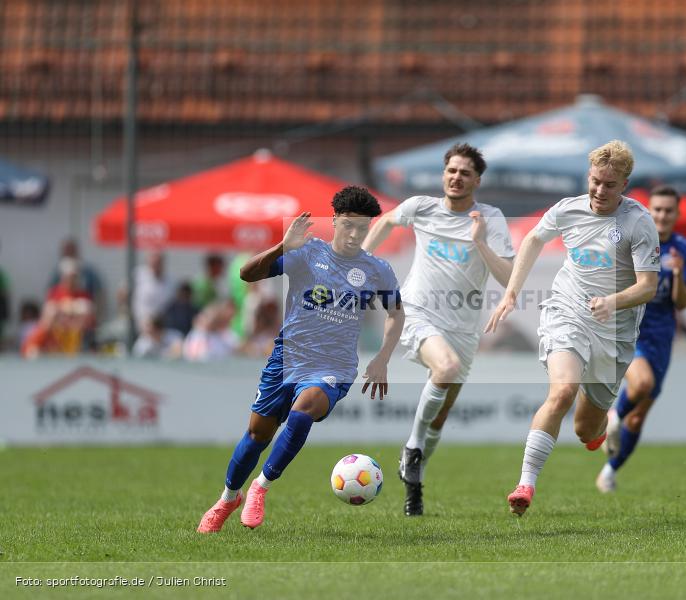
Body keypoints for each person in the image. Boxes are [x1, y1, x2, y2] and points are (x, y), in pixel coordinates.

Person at [197, 186, 404, 533]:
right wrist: (281, 246)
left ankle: (259, 489)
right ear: (335, 219)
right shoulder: (307, 253)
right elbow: (246, 275)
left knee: (305, 407)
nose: (355, 234)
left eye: (362, 228)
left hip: (334, 367)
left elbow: (396, 313)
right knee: (256, 435)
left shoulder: (376, 270)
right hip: (287, 359)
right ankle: (228, 498)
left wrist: (383, 357)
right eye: (349, 225)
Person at [485, 140, 660, 516]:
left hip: (614, 330)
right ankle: (526, 484)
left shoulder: (638, 222)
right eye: (595, 181)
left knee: (585, 430)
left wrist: (612, 302)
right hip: (569, 311)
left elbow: (649, 286)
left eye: (609, 185)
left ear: (625, 184)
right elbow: (533, 238)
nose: (599, 191)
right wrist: (512, 292)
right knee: (562, 391)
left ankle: (605, 425)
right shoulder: (569, 208)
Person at [362, 143, 514, 516]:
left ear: (477, 180)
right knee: (443, 369)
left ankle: (414, 484)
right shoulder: (421, 207)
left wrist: (479, 242)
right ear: (443, 175)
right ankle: (412, 448)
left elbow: (509, 277)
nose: (456, 177)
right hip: (416, 311)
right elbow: (384, 222)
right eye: (451, 171)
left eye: (465, 173)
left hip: (463, 327)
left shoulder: (490, 219)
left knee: (440, 416)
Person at [598, 185, 686, 493]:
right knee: (641, 385)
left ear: (677, 214)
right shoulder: (635, 239)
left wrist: (678, 276)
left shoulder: (683, 250)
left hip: (662, 338)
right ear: (648, 211)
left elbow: (681, 304)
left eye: (669, 210)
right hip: (630, 330)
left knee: (638, 420)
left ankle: (609, 473)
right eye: (658, 209)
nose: (662, 215)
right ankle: (611, 417)